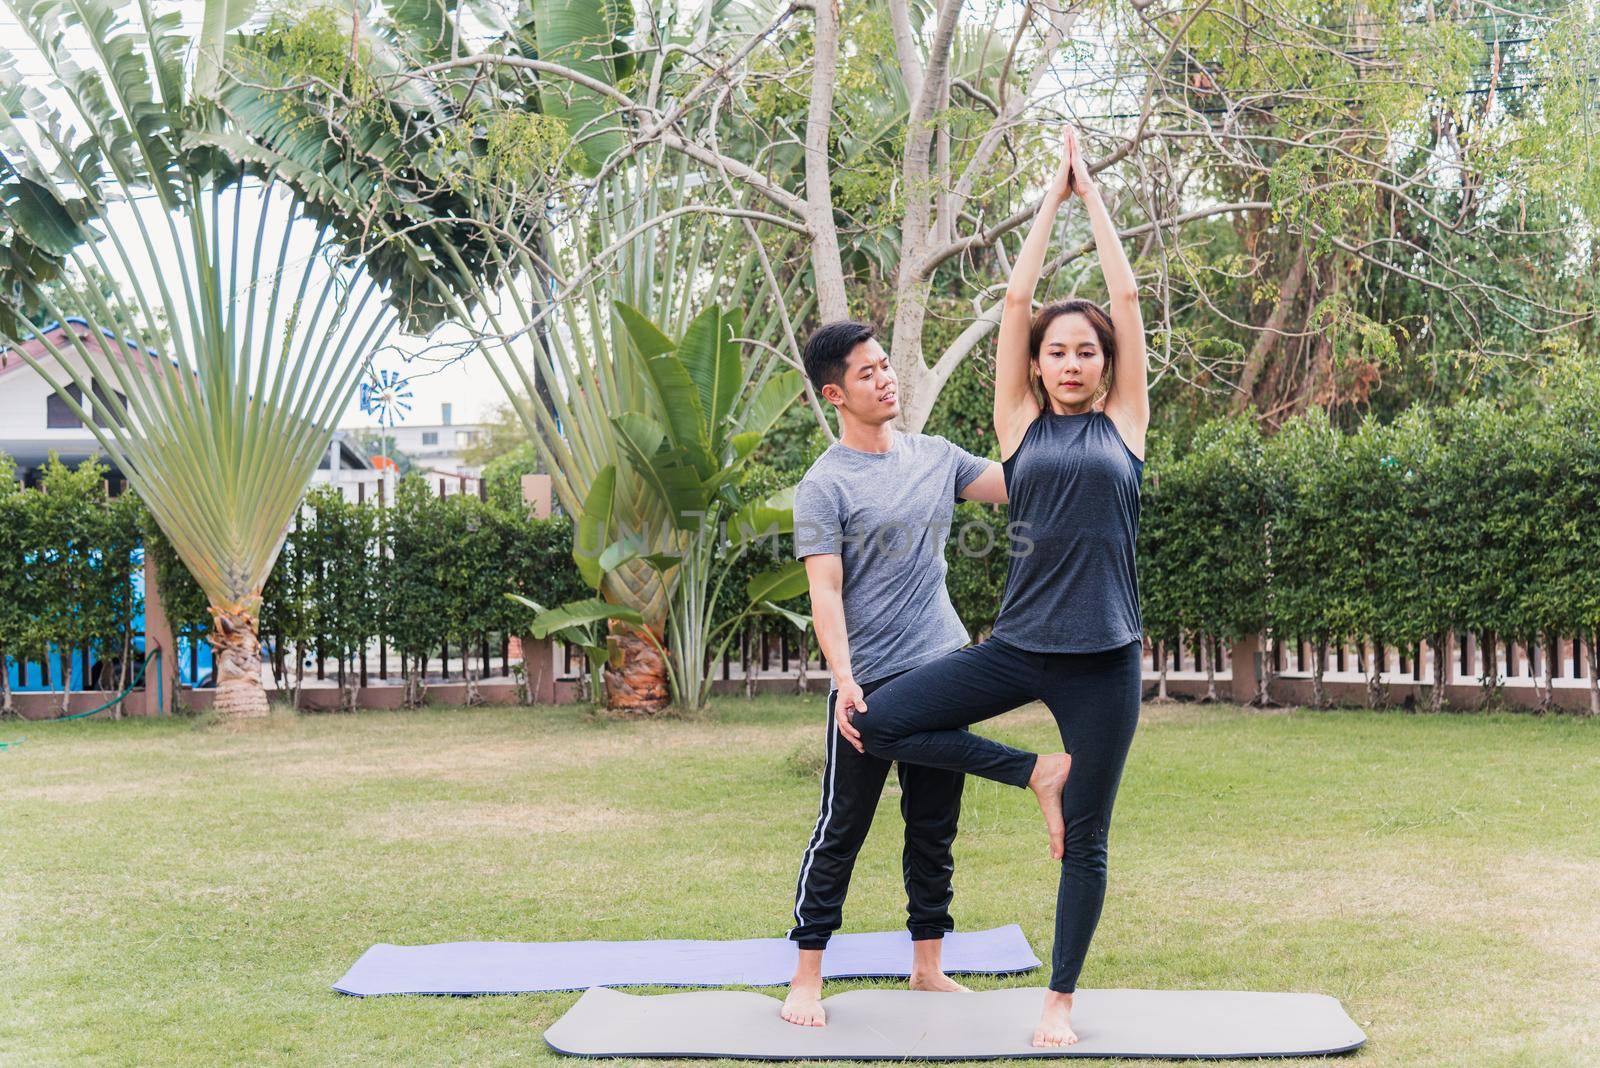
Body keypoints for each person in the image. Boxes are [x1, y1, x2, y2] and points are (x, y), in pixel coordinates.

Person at [850, 124, 1151, 1048]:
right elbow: (1015, 298)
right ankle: (1034, 775)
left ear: (1104, 368)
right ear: (1035, 367)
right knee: (880, 719)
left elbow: (1128, 296)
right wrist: (1045, 205)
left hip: (1103, 661)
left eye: (1086, 352)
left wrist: (1091, 196)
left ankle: (1059, 1000)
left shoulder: (1126, 427)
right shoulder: (1018, 427)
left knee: (1090, 844)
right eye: (1058, 351)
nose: (1072, 361)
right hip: (1018, 648)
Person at [779, 321, 1067, 1028]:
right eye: (869, 372)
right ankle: (806, 977)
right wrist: (844, 677)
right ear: (835, 393)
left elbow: (1012, 485)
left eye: (887, 365)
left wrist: (1062, 424)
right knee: (841, 829)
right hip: (870, 681)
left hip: (940, 665)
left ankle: (928, 967)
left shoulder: (935, 456)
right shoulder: (824, 485)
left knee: (934, 825)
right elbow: (824, 592)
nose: (886, 378)